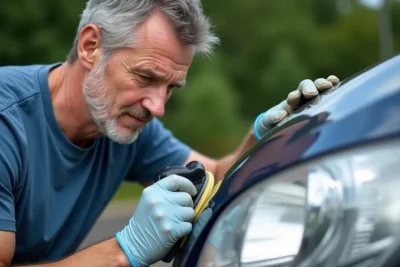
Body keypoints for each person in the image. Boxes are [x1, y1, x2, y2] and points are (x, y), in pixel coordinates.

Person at [0, 1, 340, 266]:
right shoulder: (7, 122)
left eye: (171, 87)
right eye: (146, 77)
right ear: (91, 47)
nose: (158, 107)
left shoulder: (123, 125)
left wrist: (264, 140)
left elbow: (211, 178)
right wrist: (124, 251)